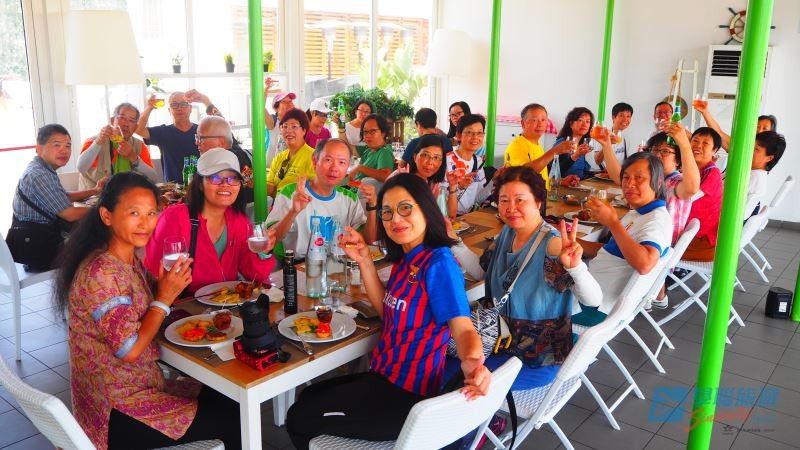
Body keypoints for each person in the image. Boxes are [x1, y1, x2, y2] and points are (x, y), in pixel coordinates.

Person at [285, 173, 491, 449]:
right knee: (309, 395)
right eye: (387, 212)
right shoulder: (408, 258)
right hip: (384, 375)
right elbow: (388, 310)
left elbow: (463, 329)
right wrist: (364, 259)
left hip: (407, 397)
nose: (395, 219)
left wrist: (473, 363)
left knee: (298, 417)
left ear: (426, 208)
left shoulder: (439, 264)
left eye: (405, 208)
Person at [53, 172, 241, 449]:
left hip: (142, 386)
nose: (145, 223)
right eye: (134, 213)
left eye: (151, 213)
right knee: (233, 418)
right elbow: (129, 349)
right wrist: (164, 297)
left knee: (226, 394)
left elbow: (143, 304)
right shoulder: (101, 273)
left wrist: (164, 288)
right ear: (106, 216)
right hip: (115, 410)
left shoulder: (125, 259)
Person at [449, 166, 601, 390]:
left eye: (520, 200)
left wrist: (576, 267)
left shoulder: (552, 245)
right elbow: (483, 273)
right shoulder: (507, 233)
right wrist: (453, 240)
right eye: (504, 200)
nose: (511, 208)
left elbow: (594, 301)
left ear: (538, 202)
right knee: (441, 362)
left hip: (536, 359)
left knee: (449, 378)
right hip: (500, 343)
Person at [145, 148, 276, 294]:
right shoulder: (175, 218)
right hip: (182, 305)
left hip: (225, 303)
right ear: (200, 184)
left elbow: (255, 276)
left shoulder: (239, 221)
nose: (225, 184)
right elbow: (154, 275)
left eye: (233, 178)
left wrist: (263, 253)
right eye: (215, 178)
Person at [600, 124, 699, 309]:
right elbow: (619, 176)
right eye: (654, 150)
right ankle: (657, 294)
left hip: (652, 248)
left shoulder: (674, 182)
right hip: (643, 240)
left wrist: (685, 144)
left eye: (665, 151)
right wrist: (606, 145)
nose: (658, 155)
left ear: (678, 161)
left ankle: (654, 293)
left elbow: (692, 187)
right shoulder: (653, 182)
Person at [573, 152, 673, 325]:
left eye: (639, 178)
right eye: (626, 177)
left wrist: (613, 223)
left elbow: (645, 264)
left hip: (594, 306)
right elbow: (613, 251)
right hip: (592, 291)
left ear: (657, 182)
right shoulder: (640, 213)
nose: (629, 184)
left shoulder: (655, 221)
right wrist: (571, 241)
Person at [8, 124, 103, 270]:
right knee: (101, 244)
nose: (64, 151)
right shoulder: (40, 175)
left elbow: (61, 198)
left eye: (68, 146)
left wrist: (95, 191)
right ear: (39, 149)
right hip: (39, 249)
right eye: (56, 145)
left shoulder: (40, 169)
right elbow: (70, 214)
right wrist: (106, 208)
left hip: (31, 241)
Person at [268, 138, 378, 257]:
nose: (334, 168)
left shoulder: (350, 198)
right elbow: (272, 239)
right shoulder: (291, 193)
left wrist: (372, 206)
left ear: (347, 167)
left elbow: (367, 241)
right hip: (299, 264)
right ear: (315, 161)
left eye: (342, 162)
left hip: (338, 262)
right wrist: (293, 212)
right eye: (328, 160)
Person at [78, 103, 158, 189]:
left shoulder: (139, 146)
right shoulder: (93, 141)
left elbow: (153, 179)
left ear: (136, 127)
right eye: (122, 118)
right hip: (95, 196)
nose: (126, 124)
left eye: (131, 120)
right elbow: (81, 168)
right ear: (112, 120)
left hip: (127, 195)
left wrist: (134, 158)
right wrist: (98, 142)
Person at [503, 103, 572, 189]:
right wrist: (554, 151)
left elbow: (540, 178)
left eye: (543, 120)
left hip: (541, 195)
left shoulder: (537, 145)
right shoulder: (517, 145)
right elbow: (524, 174)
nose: (540, 124)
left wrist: (561, 181)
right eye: (534, 120)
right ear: (523, 123)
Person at [135, 92, 199, 183]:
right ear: (169, 110)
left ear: (190, 108)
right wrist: (149, 108)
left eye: (183, 104)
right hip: (172, 189)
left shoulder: (201, 131)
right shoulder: (163, 132)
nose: (179, 108)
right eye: (174, 105)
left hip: (199, 187)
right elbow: (138, 129)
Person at [682, 127, 724, 261]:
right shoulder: (692, 168)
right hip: (689, 233)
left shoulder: (712, 173)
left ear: (714, 150)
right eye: (695, 140)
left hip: (702, 241)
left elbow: (686, 198)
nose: (698, 146)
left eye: (705, 143)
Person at [195, 115, 254, 203]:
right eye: (196, 137)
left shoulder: (220, 163)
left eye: (201, 138)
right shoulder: (241, 155)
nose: (197, 142)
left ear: (221, 142)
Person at [444, 114, 490, 215]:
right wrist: (459, 187)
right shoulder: (446, 160)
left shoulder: (478, 162)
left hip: (467, 218)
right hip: (447, 217)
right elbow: (439, 197)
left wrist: (494, 180)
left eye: (479, 133)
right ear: (459, 135)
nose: (475, 137)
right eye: (469, 132)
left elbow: (478, 198)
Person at [266, 108, 316, 197]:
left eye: (294, 126)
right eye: (285, 126)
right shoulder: (279, 158)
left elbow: (317, 190)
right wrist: (257, 184)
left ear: (304, 130)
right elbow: (269, 190)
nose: (288, 131)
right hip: (277, 204)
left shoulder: (314, 157)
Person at [694, 99, 777, 150]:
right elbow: (718, 132)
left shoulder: (765, 153)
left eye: (764, 128)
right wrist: (705, 112)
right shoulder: (742, 144)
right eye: (757, 126)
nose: (759, 130)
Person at [744, 130, 786, 220]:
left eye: (756, 149)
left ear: (769, 158)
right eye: (751, 146)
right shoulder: (755, 174)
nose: (749, 150)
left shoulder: (754, 178)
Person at [349, 113, 394, 186]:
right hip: (356, 189)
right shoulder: (368, 149)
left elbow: (386, 176)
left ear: (383, 133)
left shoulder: (384, 151)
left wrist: (360, 168)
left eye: (373, 131)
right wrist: (341, 128)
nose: (368, 136)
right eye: (365, 132)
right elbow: (346, 148)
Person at [552, 106, 595, 180]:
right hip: (564, 185)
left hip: (579, 183)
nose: (584, 124)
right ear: (571, 124)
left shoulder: (581, 144)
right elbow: (555, 172)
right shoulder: (563, 143)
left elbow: (581, 171)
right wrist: (576, 155)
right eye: (580, 120)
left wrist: (599, 173)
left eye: (587, 122)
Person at [593, 102, 633, 170]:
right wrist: (608, 143)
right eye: (621, 115)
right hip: (603, 174)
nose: (625, 119)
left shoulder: (626, 138)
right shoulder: (603, 134)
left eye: (628, 116)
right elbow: (597, 161)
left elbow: (624, 159)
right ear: (613, 117)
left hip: (619, 173)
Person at [264, 88, 297, 165]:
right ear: (276, 108)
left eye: (290, 101)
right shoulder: (274, 122)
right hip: (273, 167)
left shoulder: (297, 123)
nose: (289, 104)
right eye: (284, 102)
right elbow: (260, 108)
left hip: (290, 166)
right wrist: (266, 90)